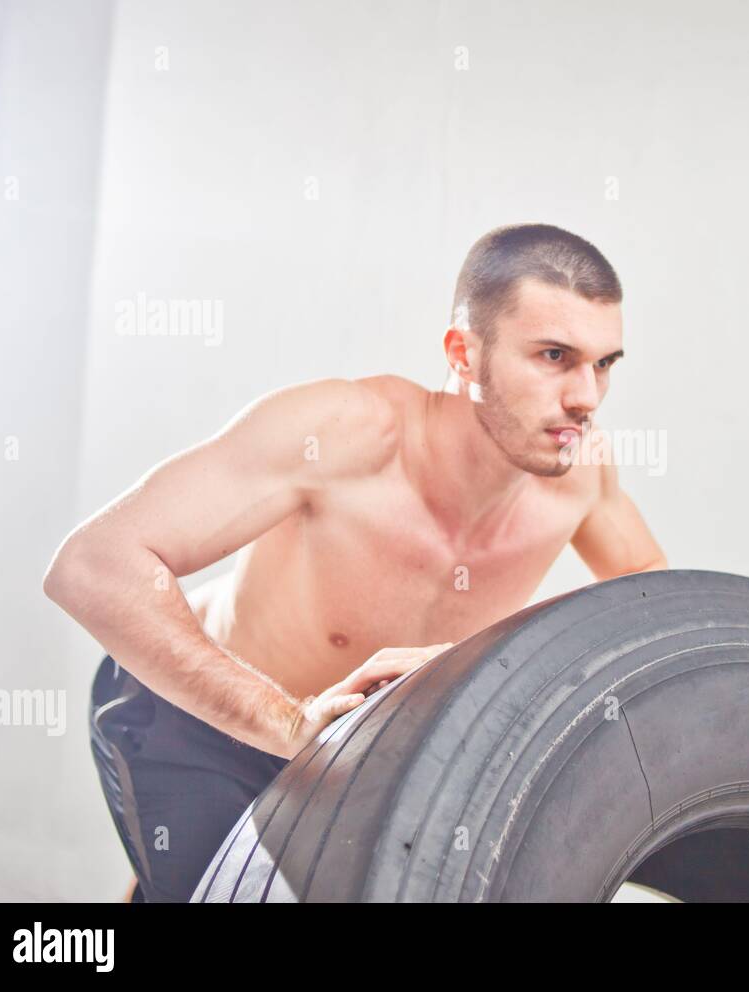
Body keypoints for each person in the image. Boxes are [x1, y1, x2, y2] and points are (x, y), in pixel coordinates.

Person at [43, 223, 668, 902]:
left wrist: (502, 665)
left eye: (605, 363)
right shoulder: (344, 433)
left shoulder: (581, 475)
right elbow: (93, 564)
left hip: (355, 759)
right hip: (197, 719)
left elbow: (656, 619)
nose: (587, 397)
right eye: (554, 356)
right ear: (463, 353)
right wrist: (285, 722)